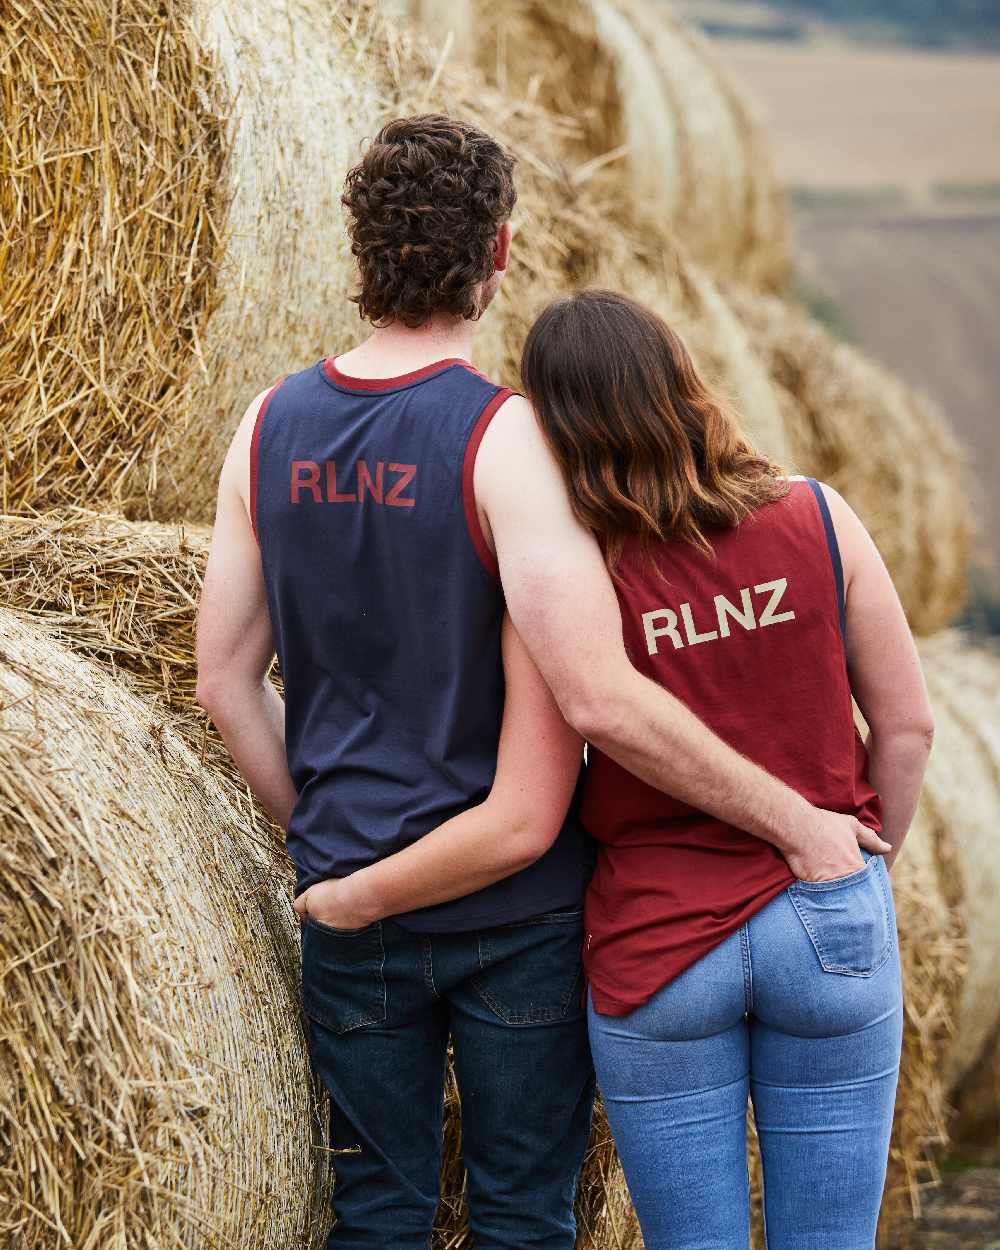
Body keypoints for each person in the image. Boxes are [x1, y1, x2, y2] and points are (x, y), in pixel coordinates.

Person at [194, 115, 887, 1249]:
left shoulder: (265, 425)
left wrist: (332, 846)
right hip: (511, 916)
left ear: (357, 252)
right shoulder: (507, 441)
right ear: (501, 252)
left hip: (349, 896)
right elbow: (590, 695)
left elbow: (224, 677)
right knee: (522, 1215)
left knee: (374, 1213)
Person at [513, 288, 935, 1250]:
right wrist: (861, 866)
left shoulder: (573, 575)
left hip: (660, 941)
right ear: (686, 382)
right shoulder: (817, 517)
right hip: (825, 913)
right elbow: (907, 728)